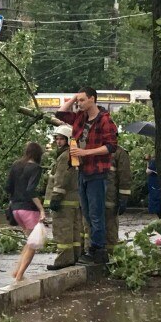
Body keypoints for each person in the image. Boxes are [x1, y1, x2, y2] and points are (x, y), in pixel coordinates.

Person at [56, 88, 119, 265]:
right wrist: (74, 97)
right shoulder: (80, 117)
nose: (79, 103)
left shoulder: (104, 120)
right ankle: (92, 247)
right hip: (81, 171)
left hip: (97, 172)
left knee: (96, 212)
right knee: (87, 213)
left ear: (92, 99)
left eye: (83, 100)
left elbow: (111, 146)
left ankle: (98, 250)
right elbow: (60, 113)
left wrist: (85, 152)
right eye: (78, 100)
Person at [45, 125, 83, 271]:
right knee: (74, 229)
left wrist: (56, 197)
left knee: (62, 230)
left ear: (68, 140)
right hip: (73, 200)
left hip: (63, 201)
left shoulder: (64, 156)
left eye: (61, 139)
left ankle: (63, 259)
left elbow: (61, 178)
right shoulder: (74, 154)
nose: (58, 142)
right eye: (57, 139)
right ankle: (75, 256)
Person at [7, 141, 46, 281]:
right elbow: (31, 190)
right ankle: (19, 275)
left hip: (16, 210)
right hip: (28, 210)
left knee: (29, 241)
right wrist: (41, 209)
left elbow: (8, 187)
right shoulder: (35, 168)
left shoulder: (16, 165)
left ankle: (16, 271)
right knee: (33, 245)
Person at [105, 142, 133, 244]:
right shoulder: (93, 148)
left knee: (110, 226)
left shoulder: (119, 152)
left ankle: (110, 253)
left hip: (110, 197)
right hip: (94, 196)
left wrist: (123, 197)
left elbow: (125, 176)